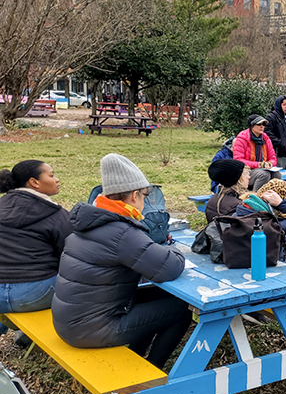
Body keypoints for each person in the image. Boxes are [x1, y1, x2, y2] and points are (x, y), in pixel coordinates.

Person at [52, 154, 191, 369]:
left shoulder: (93, 219)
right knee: (181, 310)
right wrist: (176, 250)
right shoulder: (122, 232)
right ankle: (151, 371)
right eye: (146, 196)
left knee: (156, 295)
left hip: (72, 320)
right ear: (134, 195)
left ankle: (136, 353)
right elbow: (169, 268)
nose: (145, 202)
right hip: (90, 330)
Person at [0, 161, 73, 337]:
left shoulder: (2, 205)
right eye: (51, 175)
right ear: (34, 182)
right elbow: (69, 254)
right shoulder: (56, 213)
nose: (57, 179)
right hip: (36, 293)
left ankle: (22, 335)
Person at [234, 114, 281, 191]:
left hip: (262, 168)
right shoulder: (242, 138)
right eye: (259, 124)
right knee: (264, 175)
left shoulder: (266, 138)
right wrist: (258, 164)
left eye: (263, 124)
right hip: (246, 171)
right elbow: (238, 160)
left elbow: (273, 157)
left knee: (277, 174)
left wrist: (270, 164)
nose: (262, 126)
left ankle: (273, 199)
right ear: (252, 125)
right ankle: (256, 198)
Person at [205, 159, 249, 223]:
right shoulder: (238, 205)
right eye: (245, 174)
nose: (249, 177)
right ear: (237, 179)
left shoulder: (213, 199)